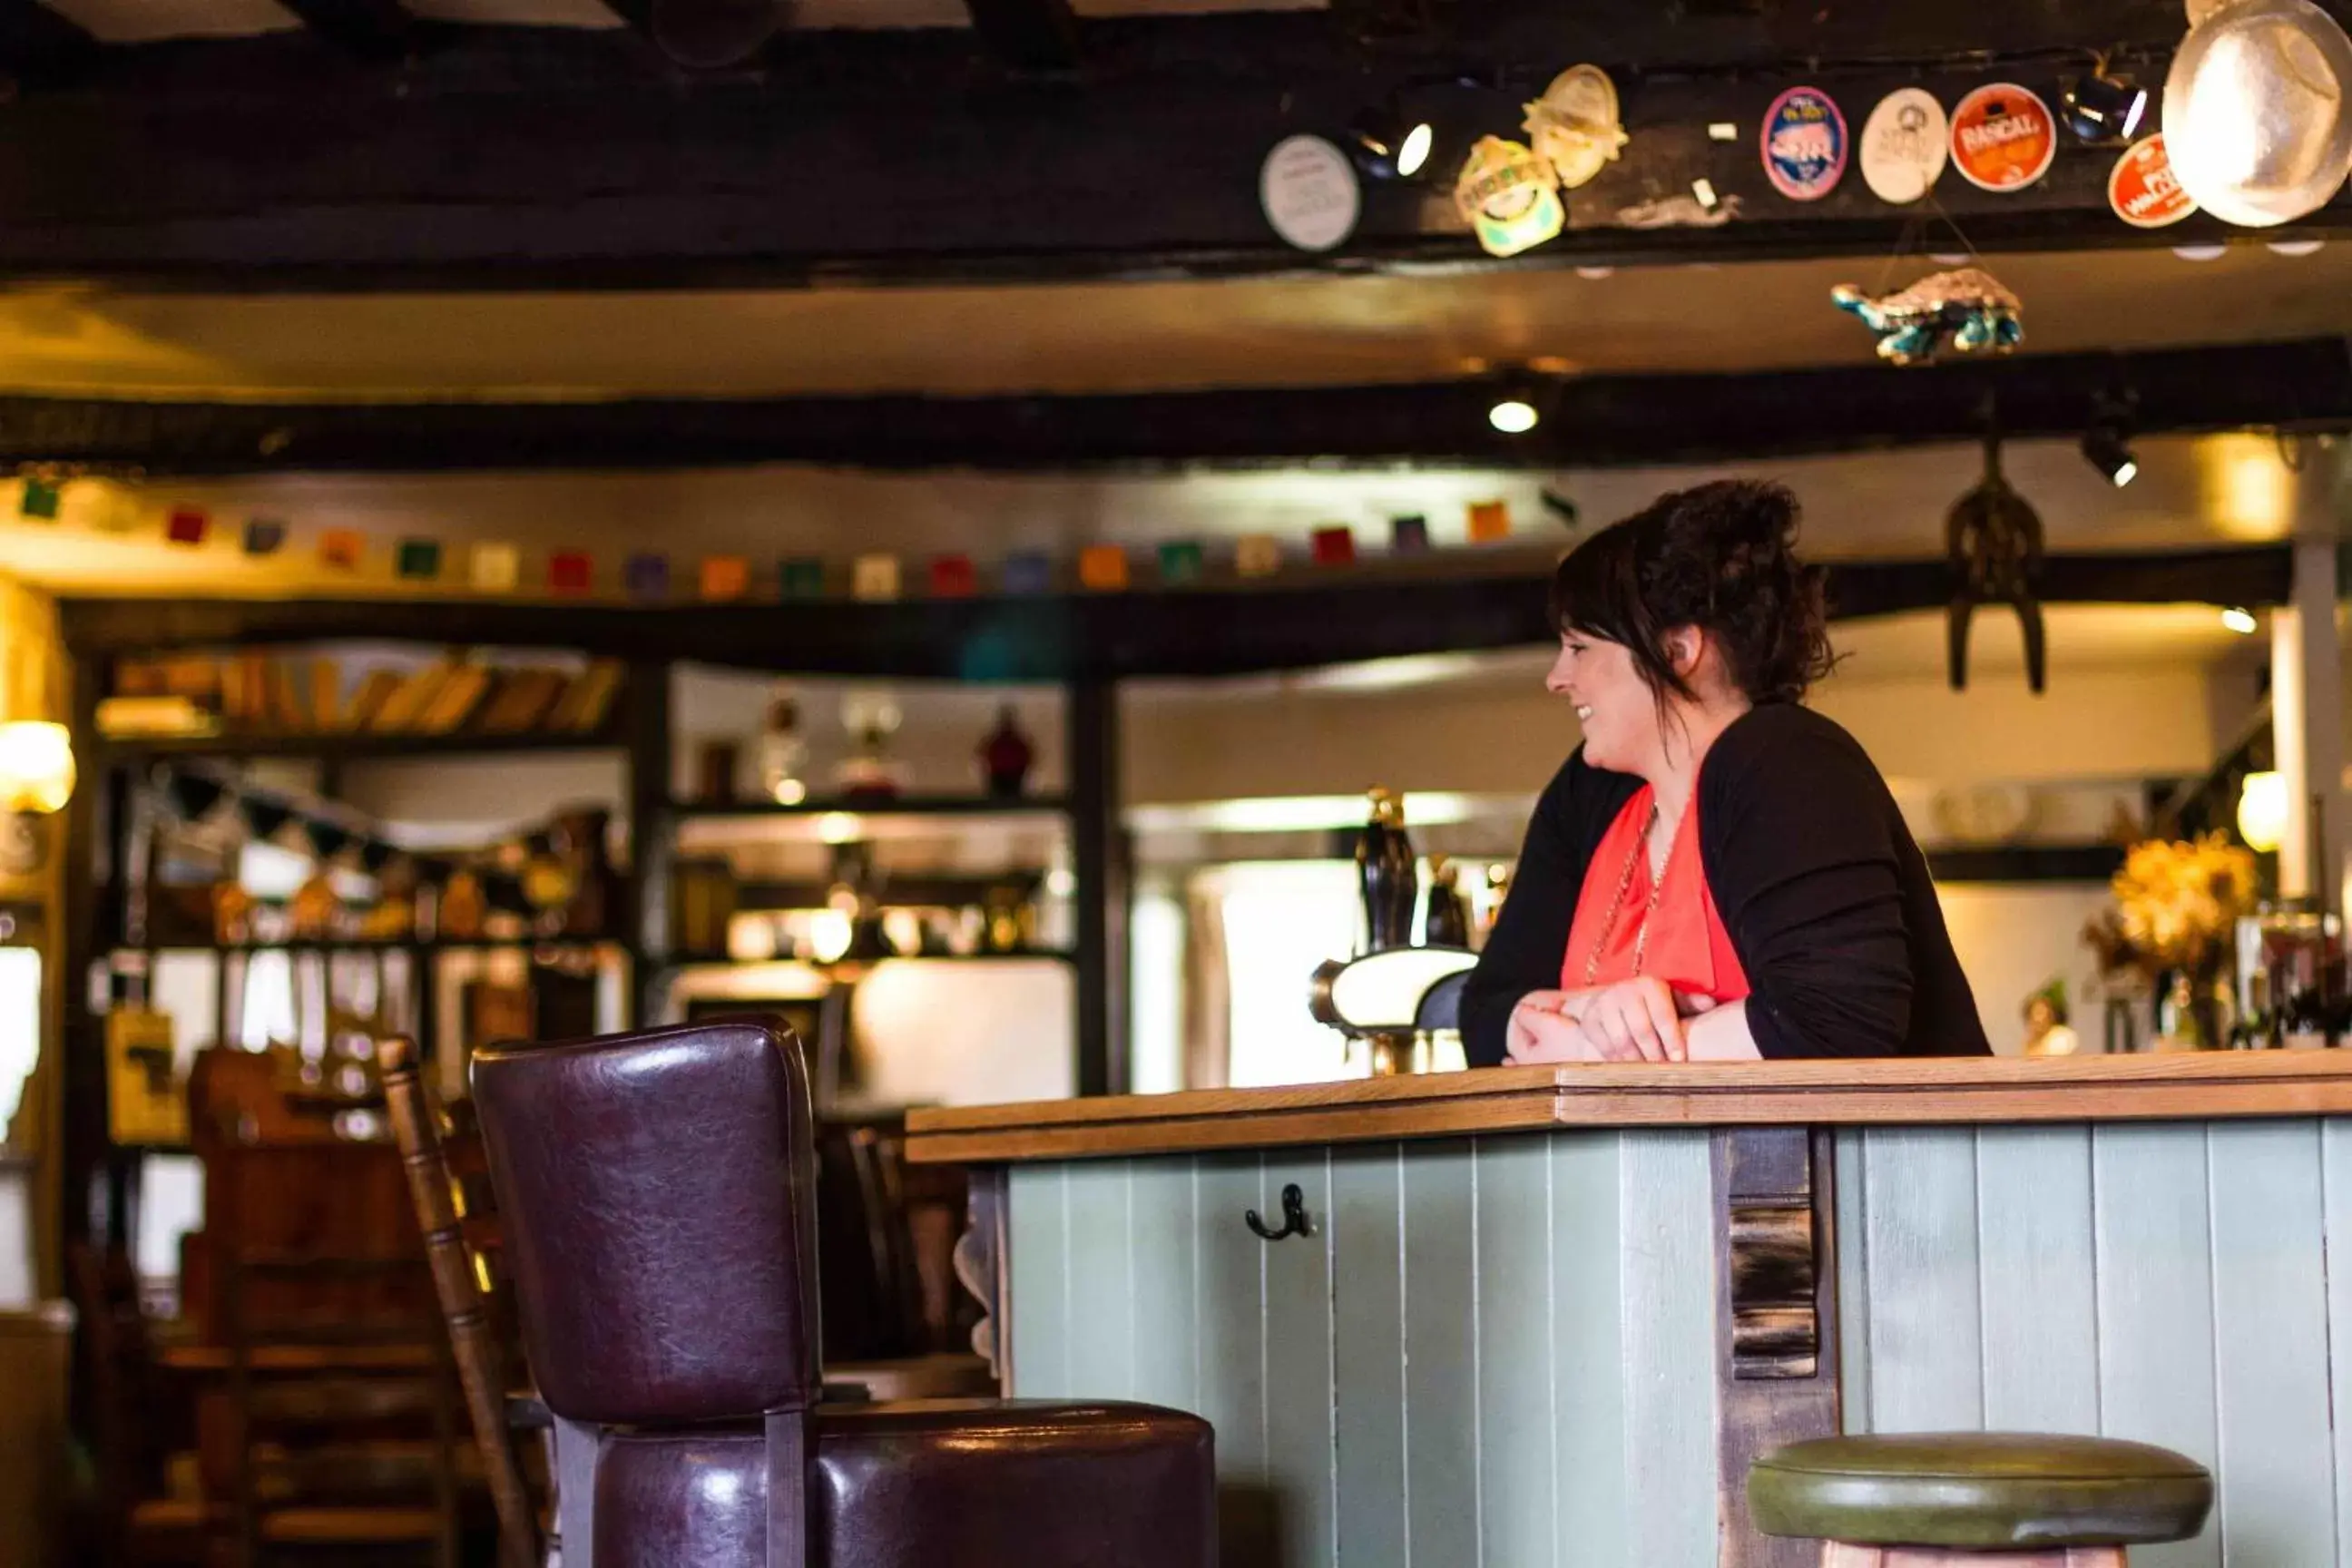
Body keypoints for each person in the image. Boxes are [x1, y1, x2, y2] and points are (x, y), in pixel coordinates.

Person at [1462, 479, 1989, 1064]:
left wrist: (1604, 1055)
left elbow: (1840, 1017)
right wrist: (1589, 1013)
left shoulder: (1785, 759)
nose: (1557, 678)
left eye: (1580, 648)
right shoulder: (1591, 791)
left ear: (1679, 651)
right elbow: (1484, 1012)